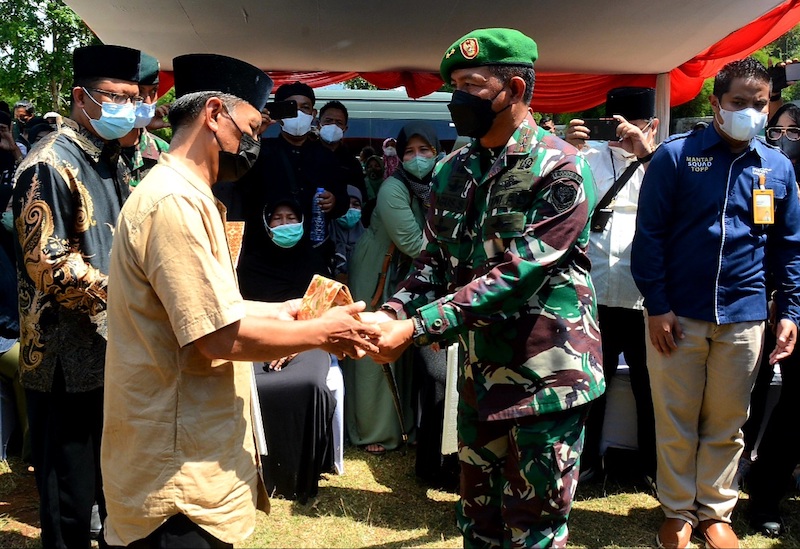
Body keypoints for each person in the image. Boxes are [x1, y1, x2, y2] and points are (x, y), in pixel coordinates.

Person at [101, 53, 379, 548]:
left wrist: (285, 311)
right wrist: (323, 332)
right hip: (176, 475)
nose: (255, 140)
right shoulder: (175, 203)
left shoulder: (189, 194)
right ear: (214, 114)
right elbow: (218, 335)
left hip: (190, 451)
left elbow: (205, 306)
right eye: (251, 126)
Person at [364, 28, 603, 547]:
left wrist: (418, 326)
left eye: (471, 83)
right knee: (479, 519)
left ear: (514, 90)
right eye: (453, 84)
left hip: (547, 377)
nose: (457, 97)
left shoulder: (562, 168)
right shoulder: (453, 170)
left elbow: (518, 275)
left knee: (533, 525)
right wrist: (394, 310)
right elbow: (435, 261)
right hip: (480, 375)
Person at [631, 57, 800, 549]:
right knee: (677, 416)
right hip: (677, 314)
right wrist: (657, 306)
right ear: (716, 104)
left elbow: (790, 246)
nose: (750, 111)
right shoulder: (676, 156)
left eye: (760, 103)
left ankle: (715, 511)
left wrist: (791, 311)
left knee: (729, 420)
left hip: (745, 314)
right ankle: (678, 511)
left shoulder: (777, 165)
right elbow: (649, 237)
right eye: (739, 103)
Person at [11, 43, 142, 549]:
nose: (126, 109)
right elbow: (48, 266)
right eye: (115, 97)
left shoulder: (112, 159)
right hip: (64, 359)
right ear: (80, 97)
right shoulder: (49, 163)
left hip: (112, 350)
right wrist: (130, 299)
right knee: (69, 496)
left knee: (111, 485)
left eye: (133, 98)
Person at [564, 87, 658, 488]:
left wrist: (645, 153)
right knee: (591, 386)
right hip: (595, 293)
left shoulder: (664, 162)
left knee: (650, 388)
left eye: (630, 125)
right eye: (613, 124)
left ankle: (653, 469)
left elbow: (678, 202)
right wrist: (565, 147)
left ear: (650, 125)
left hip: (644, 298)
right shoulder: (585, 158)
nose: (620, 132)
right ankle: (585, 464)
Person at [346, 121, 442, 456]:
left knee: (402, 345)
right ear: (400, 157)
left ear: (437, 152)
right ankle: (372, 429)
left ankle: (404, 426)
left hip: (408, 272)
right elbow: (414, 243)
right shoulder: (393, 188)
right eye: (410, 152)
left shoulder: (432, 184)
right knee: (374, 346)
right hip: (378, 271)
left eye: (424, 150)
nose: (418, 158)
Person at [249, 196, 341, 499]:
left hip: (308, 340)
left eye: (292, 217)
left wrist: (295, 342)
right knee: (252, 384)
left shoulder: (315, 261)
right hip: (259, 339)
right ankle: (258, 470)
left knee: (308, 384)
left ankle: (300, 473)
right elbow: (241, 312)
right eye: (277, 218)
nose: (285, 224)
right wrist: (273, 339)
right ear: (265, 223)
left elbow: (324, 313)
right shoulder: (247, 263)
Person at [229, 81, 349, 297]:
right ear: (279, 113)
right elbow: (235, 183)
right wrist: (255, 135)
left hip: (311, 260)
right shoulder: (262, 151)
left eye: (305, 108)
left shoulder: (326, 157)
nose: (299, 113)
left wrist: (335, 202)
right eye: (291, 107)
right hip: (263, 261)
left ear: (313, 114)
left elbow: (342, 203)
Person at [744, 101, 800, 538]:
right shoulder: (773, 173)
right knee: (793, 410)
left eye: (794, 132)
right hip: (785, 308)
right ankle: (764, 494)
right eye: (780, 131)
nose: (785, 140)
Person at [121, 51, 170, 188]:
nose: (148, 101)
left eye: (153, 92)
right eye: (139, 93)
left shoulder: (164, 152)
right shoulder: (98, 151)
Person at [318, 100, 367, 199]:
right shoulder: (306, 155)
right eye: (328, 121)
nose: (333, 125)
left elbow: (360, 197)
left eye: (338, 122)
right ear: (319, 124)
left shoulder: (352, 163)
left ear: (345, 128)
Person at [331, 184, 365, 284]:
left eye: (355, 205)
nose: (349, 208)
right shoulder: (325, 240)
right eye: (345, 204)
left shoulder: (368, 241)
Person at [361, 154, 384, 227]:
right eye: (369, 167)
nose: (373, 169)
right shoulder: (362, 185)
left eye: (376, 166)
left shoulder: (387, 185)